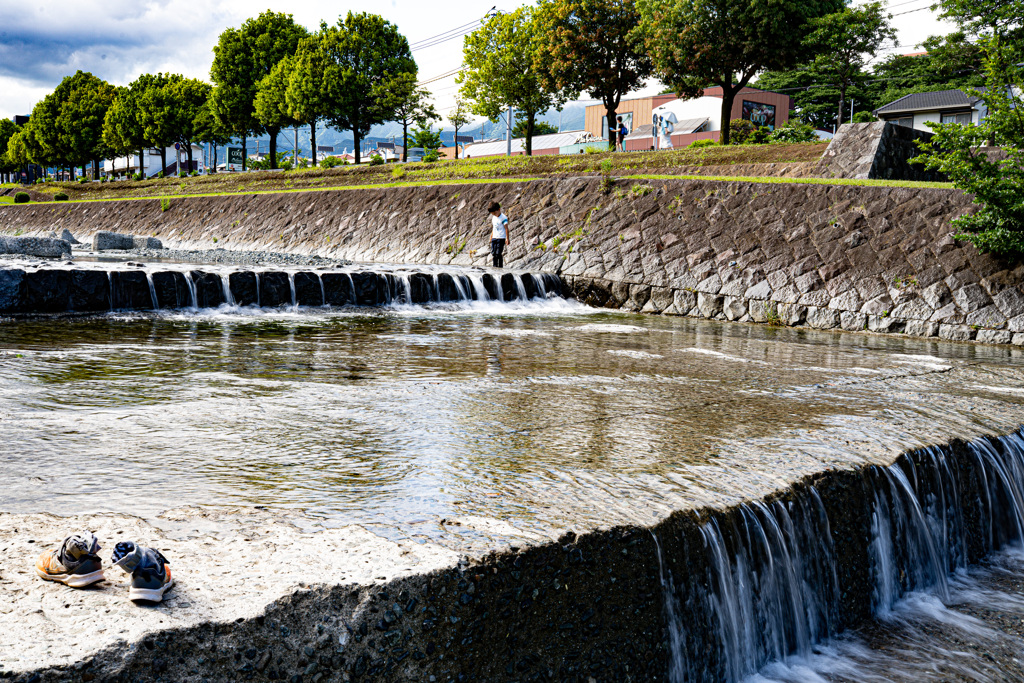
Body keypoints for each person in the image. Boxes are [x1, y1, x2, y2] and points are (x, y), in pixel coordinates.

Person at [487, 201, 509, 269]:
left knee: (498, 253)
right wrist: (491, 235)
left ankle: (500, 267)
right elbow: (494, 227)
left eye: (495, 213)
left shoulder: (503, 218)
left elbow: (506, 229)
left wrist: (507, 238)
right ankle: (495, 267)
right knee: (493, 253)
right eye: (492, 214)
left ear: (499, 210)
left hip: (501, 238)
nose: (494, 215)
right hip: (494, 237)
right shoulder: (494, 217)